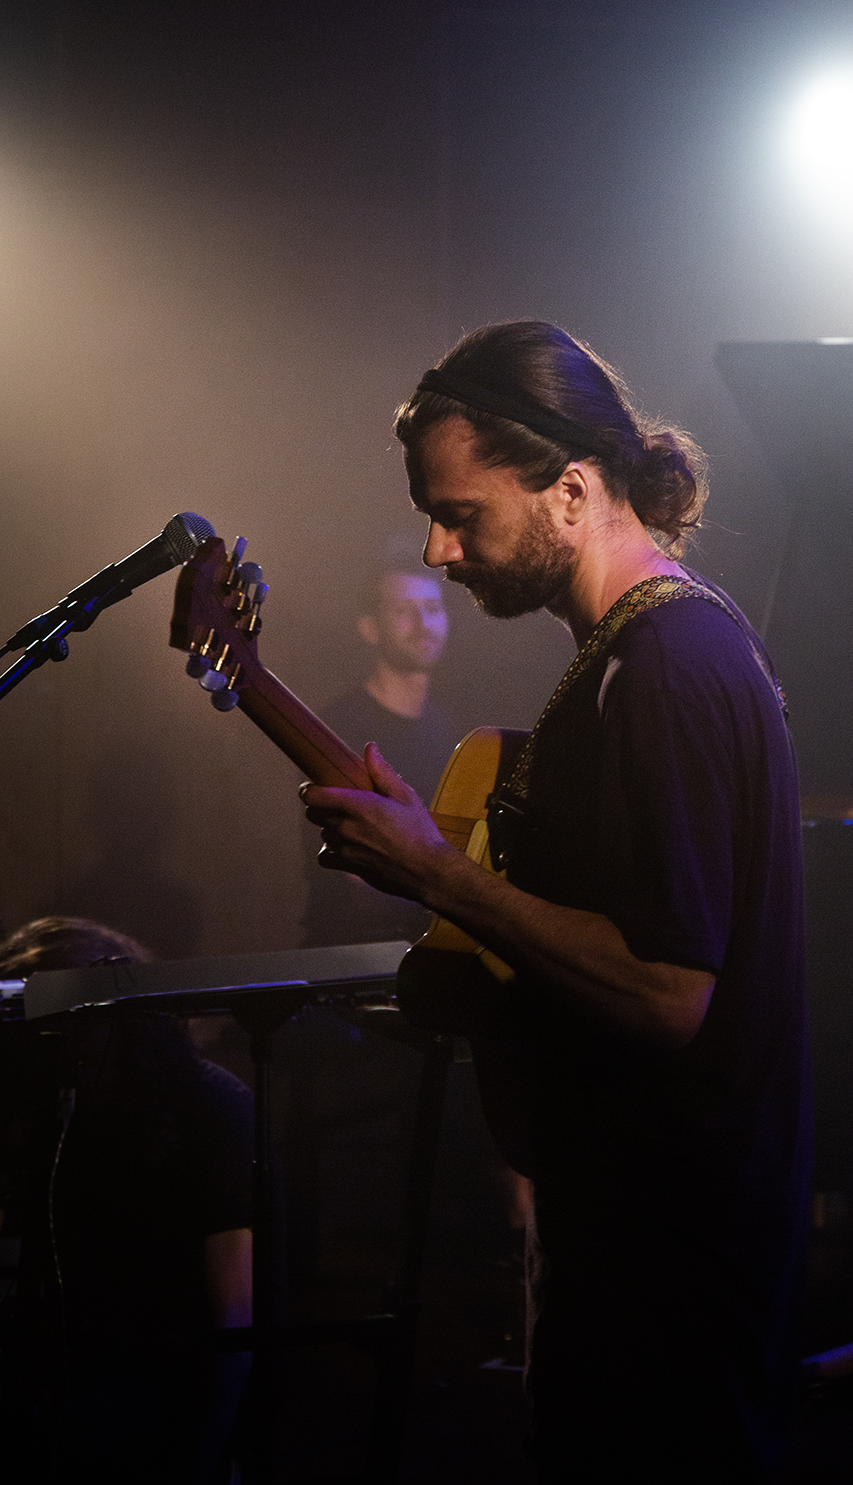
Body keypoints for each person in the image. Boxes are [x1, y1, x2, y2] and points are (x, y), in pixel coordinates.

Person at [302, 321, 811, 1481]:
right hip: (638, 1236)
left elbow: (667, 989)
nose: (437, 549)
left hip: (671, 1265)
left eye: (460, 513)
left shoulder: (666, 667)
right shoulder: (635, 655)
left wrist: (439, 874)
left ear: (572, 490)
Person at [0, 917, 253, 1485]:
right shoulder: (41, 1106)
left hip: (155, 1389)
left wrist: (201, 1459)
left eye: (73, 1028)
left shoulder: (204, 1103)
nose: (60, 1047)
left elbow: (234, 1321)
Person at [304, 546, 458, 946]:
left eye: (432, 608)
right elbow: (360, 880)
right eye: (404, 611)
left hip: (428, 945)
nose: (423, 624)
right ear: (370, 628)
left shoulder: (447, 728)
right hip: (355, 954)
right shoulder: (341, 726)